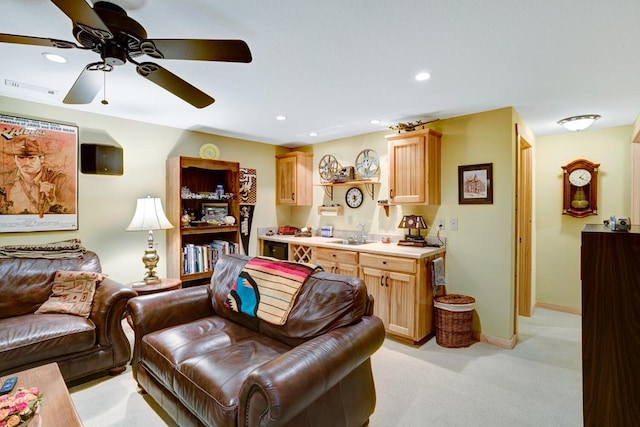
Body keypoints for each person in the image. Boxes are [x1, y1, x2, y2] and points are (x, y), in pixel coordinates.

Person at [0, 136, 72, 216]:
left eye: (31, 158)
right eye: (21, 157)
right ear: (14, 159)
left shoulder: (60, 180)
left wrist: (52, 200)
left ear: (41, 159)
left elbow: (69, 211)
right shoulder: (2, 180)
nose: (26, 163)